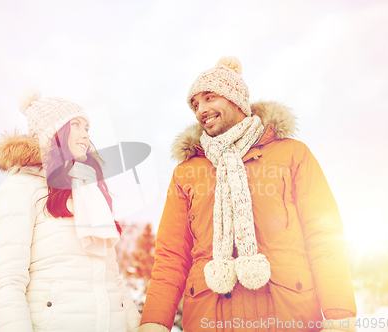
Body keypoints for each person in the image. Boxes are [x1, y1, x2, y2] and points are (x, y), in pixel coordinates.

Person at [138, 57, 357, 332]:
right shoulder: (187, 172)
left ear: (235, 99)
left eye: (209, 98)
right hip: (211, 319)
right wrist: (154, 322)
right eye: (195, 104)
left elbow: (324, 237)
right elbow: (172, 255)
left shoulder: (292, 155)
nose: (200, 110)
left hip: (288, 317)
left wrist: (339, 313)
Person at [0, 89, 140, 332]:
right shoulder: (21, 187)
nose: (85, 135)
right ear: (54, 133)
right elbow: (8, 281)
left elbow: (112, 277)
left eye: (87, 128)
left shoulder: (88, 187)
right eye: (76, 125)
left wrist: (137, 327)